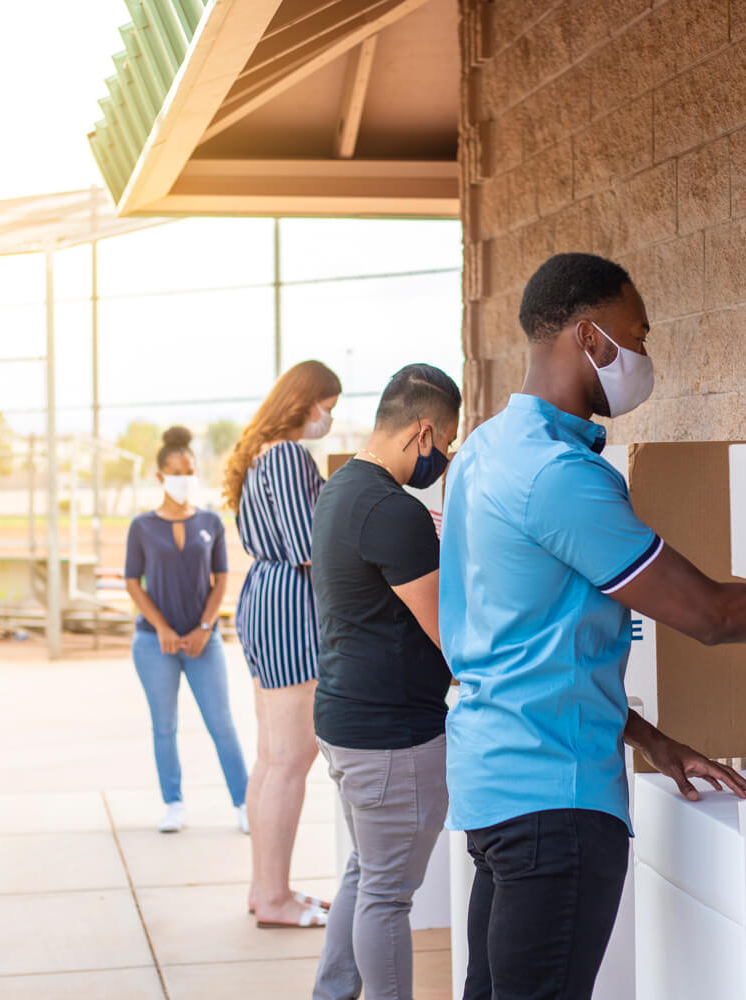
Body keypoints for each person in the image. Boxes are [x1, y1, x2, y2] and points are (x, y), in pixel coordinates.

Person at [440, 252, 746, 1000]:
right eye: (637, 335)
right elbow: (710, 615)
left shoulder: (486, 451)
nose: (645, 356)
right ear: (590, 337)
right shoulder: (559, 477)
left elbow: (532, 647)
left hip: (496, 789)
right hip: (554, 807)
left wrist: (652, 739)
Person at [309, 364, 461, 1000]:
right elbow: (450, 634)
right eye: (446, 443)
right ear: (422, 430)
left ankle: (333, 992)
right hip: (392, 737)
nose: (445, 457)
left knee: (366, 873)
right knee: (388, 895)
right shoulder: (393, 511)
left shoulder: (340, 489)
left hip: (346, 721)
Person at [223, 359, 343, 930]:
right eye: (329, 406)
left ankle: (267, 888)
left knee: (272, 757)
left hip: (264, 600)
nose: (329, 418)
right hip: (292, 605)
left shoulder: (258, 458)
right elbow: (307, 546)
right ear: (306, 402)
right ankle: (274, 898)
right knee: (292, 760)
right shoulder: (290, 456)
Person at [124, 426, 249, 835]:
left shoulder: (210, 521)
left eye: (190, 471)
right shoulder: (141, 527)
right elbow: (132, 582)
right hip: (153, 643)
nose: (184, 478)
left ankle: (244, 802)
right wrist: (160, 628)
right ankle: (173, 803)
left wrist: (203, 628)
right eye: (176, 471)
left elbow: (220, 579)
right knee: (164, 725)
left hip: (203, 642)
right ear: (160, 476)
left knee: (221, 722)